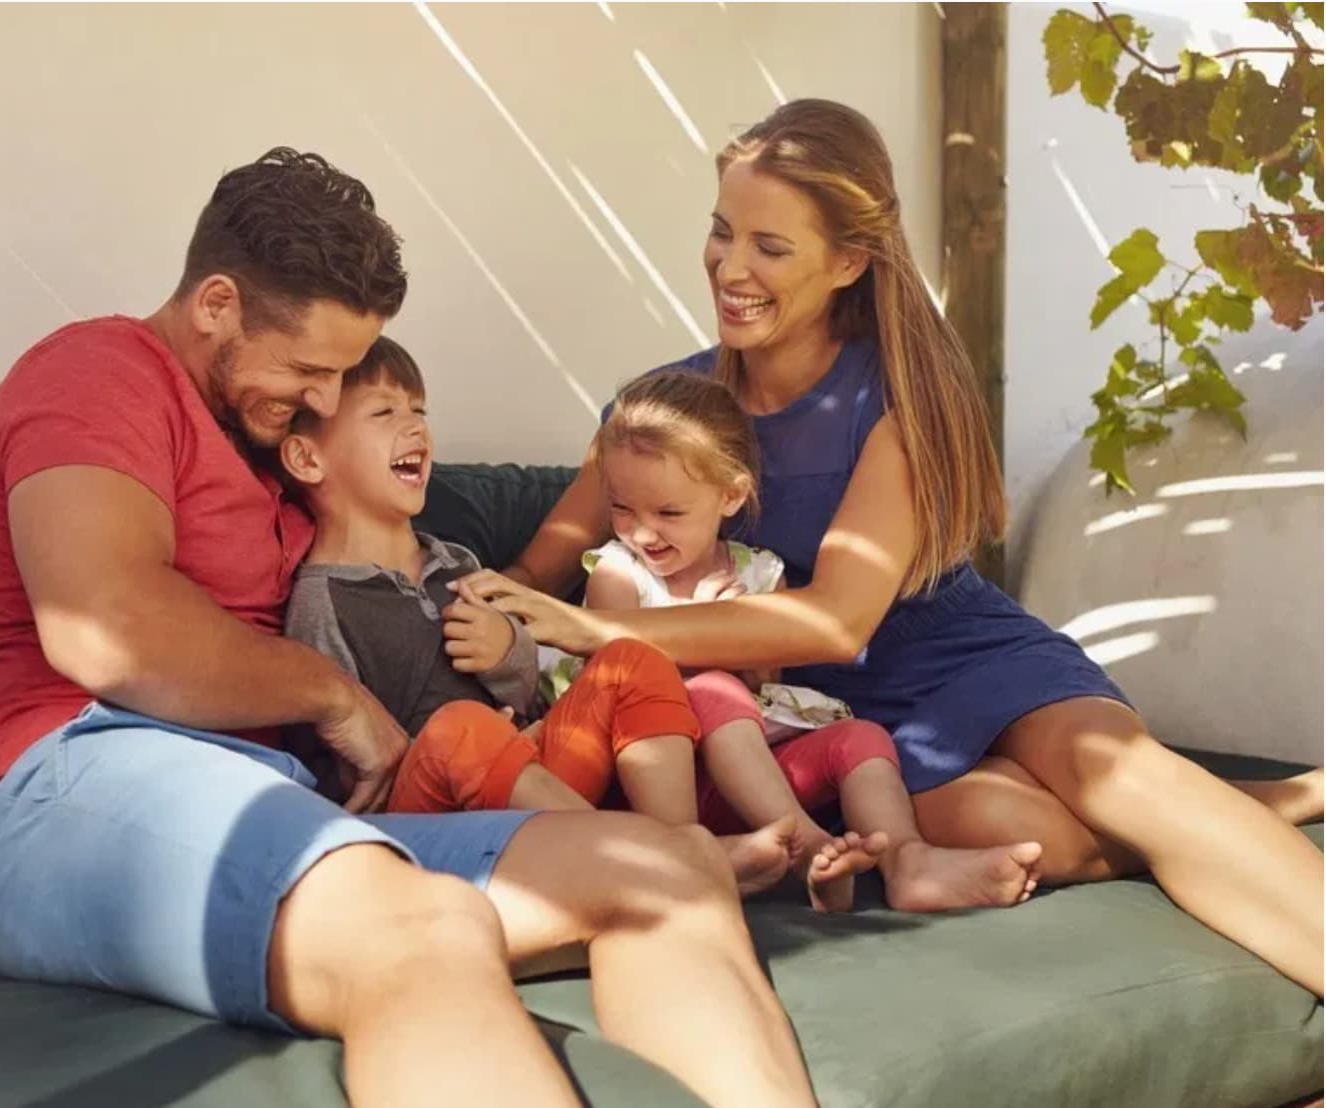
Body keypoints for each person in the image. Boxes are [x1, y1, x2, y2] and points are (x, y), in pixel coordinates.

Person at [0, 146, 838, 1108]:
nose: (323, 399)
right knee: (422, 925)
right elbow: (105, 623)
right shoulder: (96, 371)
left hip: (269, 797)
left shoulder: (275, 452)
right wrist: (335, 697)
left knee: (665, 864)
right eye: (311, 370)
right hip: (59, 780)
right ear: (218, 303)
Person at [461, 100, 1326, 996]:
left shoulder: (897, 398)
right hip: (842, 717)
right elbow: (536, 571)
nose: (731, 265)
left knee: (1113, 772)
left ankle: (1202, 811)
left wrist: (601, 634)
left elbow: (840, 618)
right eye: (723, 233)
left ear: (848, 261)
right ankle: (1250, 807)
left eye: (771, 245)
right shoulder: (664, 413)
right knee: (1002, 821)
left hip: (959, 651)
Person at [278, 335, 828, 901]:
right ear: (306, 457)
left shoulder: (456, 563)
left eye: (418, 409)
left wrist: (505, 655)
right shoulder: (324, 602)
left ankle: (682, 845)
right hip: (425, 812)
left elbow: (524, 687)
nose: (416, 427)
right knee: (460, 727)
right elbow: (343, 762)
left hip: (531, 777)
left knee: (631, 658)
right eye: (384, 412)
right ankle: (665, 861)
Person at [580, 367, 1044, 913]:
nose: (641, 532)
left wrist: (743, 631)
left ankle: (907, 862)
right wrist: (706, 624)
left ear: (731, 496)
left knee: (862, 737)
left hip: (739, 783)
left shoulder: (761, 573)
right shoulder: (617, 573)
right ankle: (807, 847)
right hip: (654, 782)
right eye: (621, 508)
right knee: (711, 689)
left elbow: (766, 683)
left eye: (669, 513)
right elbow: (625, 673)